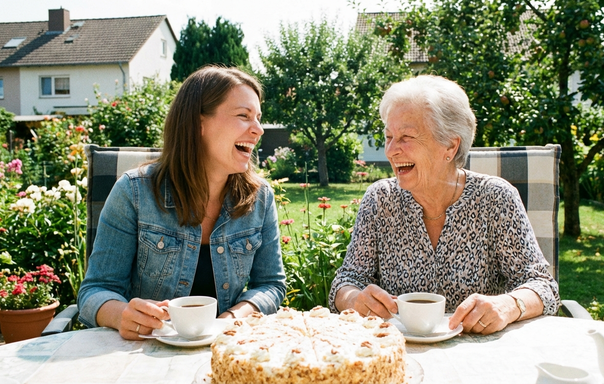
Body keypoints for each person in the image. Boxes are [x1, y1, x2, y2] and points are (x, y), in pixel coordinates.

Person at [329, 75, 559, 335]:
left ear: (450, 145)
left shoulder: (495, 198)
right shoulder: (380, 199)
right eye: (389, 136)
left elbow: (542, 286)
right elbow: (347, 280)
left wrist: (509, 305)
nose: (391, 150)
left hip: (478, 355)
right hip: (400, 352)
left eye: (406, 136)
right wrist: (352, 299)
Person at [78, 66, 286, 340]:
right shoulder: (133, 192)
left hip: (227, 349)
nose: (258, 130)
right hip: (147, 354)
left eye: (258, 118)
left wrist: (229, 320)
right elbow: (95, 291)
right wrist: (121, 315)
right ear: (198, 123)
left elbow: (271, 285)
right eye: (243, 116)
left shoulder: (259, 197)